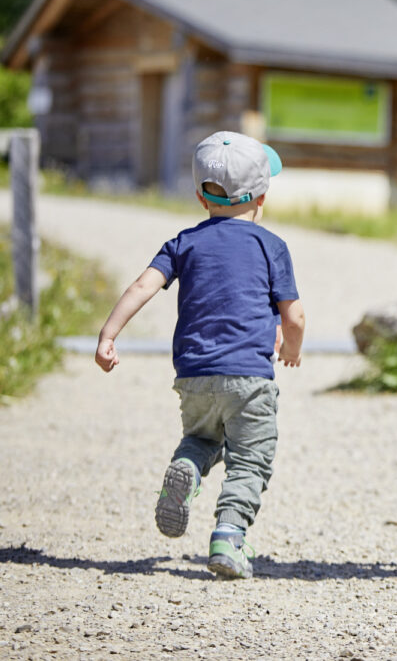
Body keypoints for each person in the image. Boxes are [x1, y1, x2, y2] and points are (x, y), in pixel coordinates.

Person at [94, 131, 306, 580]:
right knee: (250, 460)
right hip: (249, 377)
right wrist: (290, 347)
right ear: (262, 195)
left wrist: (108, 335)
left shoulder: (183, 243)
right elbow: (295, 316)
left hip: (193, 375)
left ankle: (186, 467)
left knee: (203, 438)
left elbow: (142, 286)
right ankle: (228, 538)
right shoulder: (272, 246)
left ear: (199, 195)